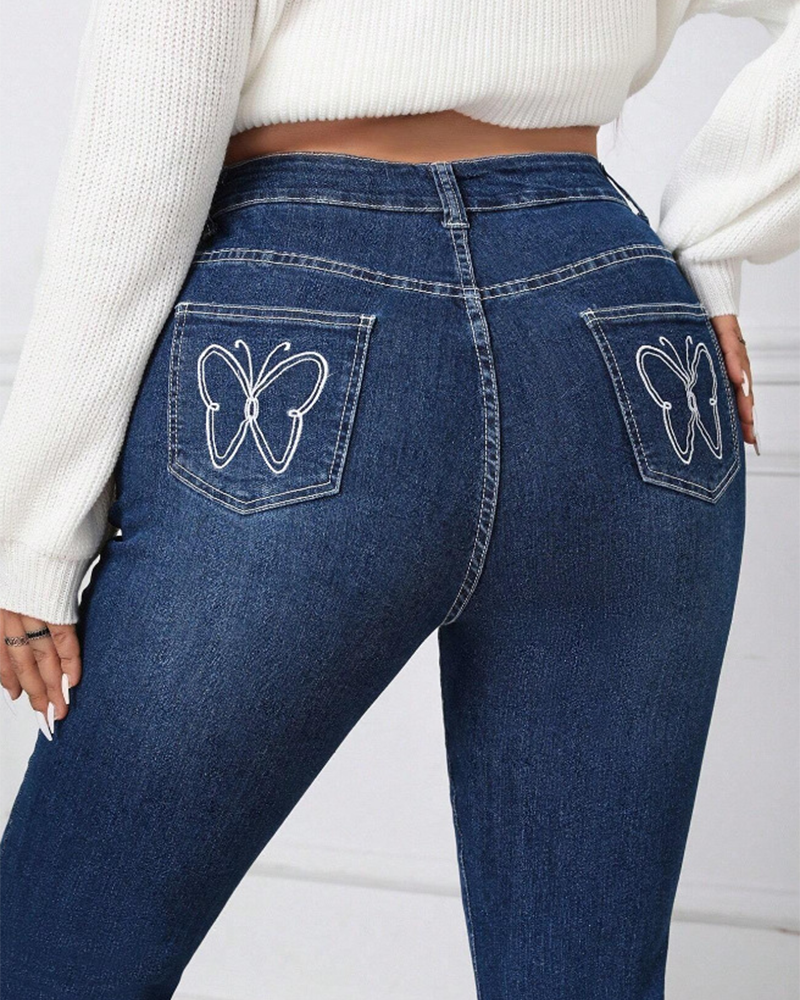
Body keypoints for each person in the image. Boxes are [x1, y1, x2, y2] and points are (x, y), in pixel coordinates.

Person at [0, 2, 797, 997]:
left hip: (301, 308)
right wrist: (714, 238)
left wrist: (35, 527)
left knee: (53, 959)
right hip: (619, 329)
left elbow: (139, 150)